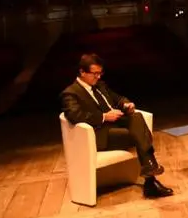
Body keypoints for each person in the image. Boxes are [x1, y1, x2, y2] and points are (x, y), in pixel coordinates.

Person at [60, 54, 173, 199]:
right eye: (95, 73)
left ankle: (149, 170)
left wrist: (126, 104)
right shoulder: (70, 93)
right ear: (82, 72)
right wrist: (104, 117)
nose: (98, 77)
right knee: (142, 134)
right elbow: (75, 115)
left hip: (115, 125)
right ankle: (150, 177)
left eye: (100, 73)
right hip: (99, 134)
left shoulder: (100, 86)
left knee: (137, 117)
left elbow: (117, 98)